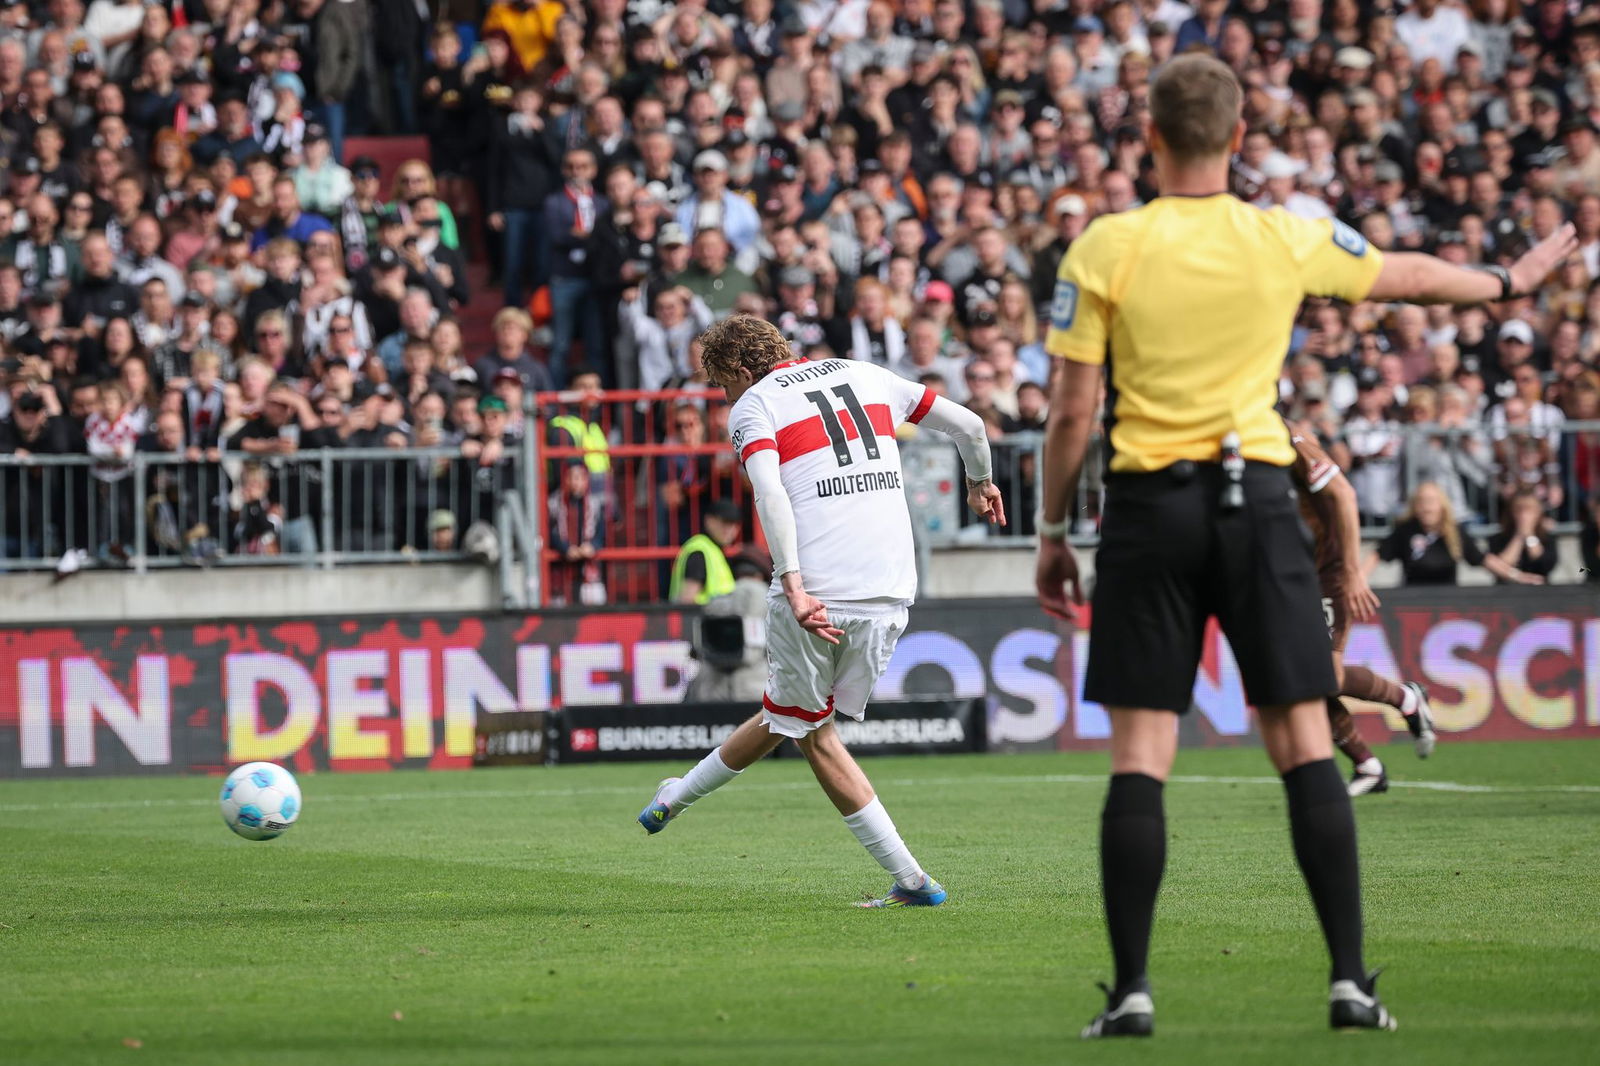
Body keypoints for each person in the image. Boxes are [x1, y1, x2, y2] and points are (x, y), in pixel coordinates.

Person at [1033, 55, 1575, 1038]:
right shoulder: (1282, 234)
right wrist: (1507, 280)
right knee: (1297, 743)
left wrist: (1052, 532)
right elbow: (1404, 276)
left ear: (1148, 136)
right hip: (1258, 505)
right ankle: (1348, 984)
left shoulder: (1103, 245)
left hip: (1150, 510)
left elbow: (1072, 412)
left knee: (1141, 753)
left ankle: (1132, 993)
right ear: (1238, 139)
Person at [637, 313, 1005, 910]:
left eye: (721, 384)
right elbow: (970, 424)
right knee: (796, 716)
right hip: (891, 590)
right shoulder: (866, 374)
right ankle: (673, 798)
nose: (725, 396)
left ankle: (913, 881)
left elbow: (770, 492)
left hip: (821, 590)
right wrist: (980, 483)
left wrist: (794, 584)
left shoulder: (755, 404)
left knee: (812, 731)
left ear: (736, 368)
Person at [1286, 422, 1437, 799]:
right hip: (1289, 574)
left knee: (1325, 676)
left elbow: (1344, 494)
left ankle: (1405, 698)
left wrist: (1353, 571)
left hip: (1327, 572)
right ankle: (1367, 765)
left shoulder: (1288, 437)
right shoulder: (1242, 437)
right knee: (1301, 679)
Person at [1370, 481, 1544, 587]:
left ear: (1442, 505)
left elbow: (1483, 559)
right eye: (1422, 502)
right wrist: (1358, 579)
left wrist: (1517, 576)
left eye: (1431, 501)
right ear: (1415, 506)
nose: (1427, 507)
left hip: (1448, 601)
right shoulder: (1406, 530)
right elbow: (1378, 554)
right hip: (1412, 601)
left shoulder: (1455, 531)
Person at [668, 498, 742, 605]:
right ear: (709, 520)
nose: (730, 530)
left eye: (734, 525)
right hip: (703, 620)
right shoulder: (699, 551)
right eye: (725, 523)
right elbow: (687, 599)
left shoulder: (713, 550)